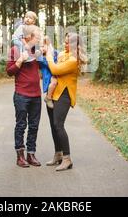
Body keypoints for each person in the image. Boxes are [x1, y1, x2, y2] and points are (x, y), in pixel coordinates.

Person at [43, 32, 87, 171]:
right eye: (65, 41)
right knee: (53, 125)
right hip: (54, 93)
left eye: (68, 42)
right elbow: (54, 67)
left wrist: (49, 56)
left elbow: (55, 68)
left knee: (58, 124)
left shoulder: (74, 60)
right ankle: (58, 154)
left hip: (65, 95)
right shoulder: (63, 54)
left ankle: (67, 159)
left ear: (74, 45)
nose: (65, 44)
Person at [6, 25, 42, 168]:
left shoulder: (37, 51)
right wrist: (20, 60)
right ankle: (20, 156)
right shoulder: (15, 50)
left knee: (34, 126)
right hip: (21, 94)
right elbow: (9, 71)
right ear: (27, 37)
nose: (38, 38)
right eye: (36, 36)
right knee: (21, 125)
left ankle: (31, 154)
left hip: (36, 95)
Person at [38, 36, 58, 109]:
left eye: (43, 46)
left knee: (54, 82)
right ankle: (48, 98)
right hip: (49, 78)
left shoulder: (55, 53)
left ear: (48, 45)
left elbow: (57, 63)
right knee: (53, 82)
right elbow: (43, 65)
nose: (41, 48)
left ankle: (48, 98)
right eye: (40, 46)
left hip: (56, 75)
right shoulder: (41, 57)